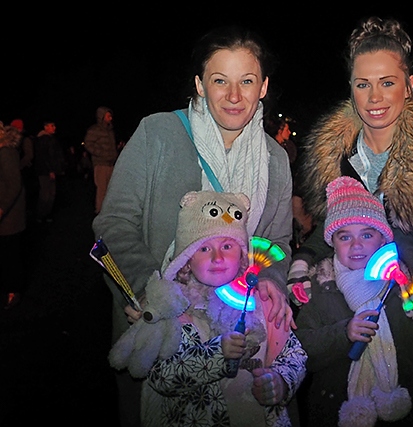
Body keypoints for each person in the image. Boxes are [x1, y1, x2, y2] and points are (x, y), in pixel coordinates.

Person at [287, 16, 413, 426]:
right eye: (363, 83)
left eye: (387, 81)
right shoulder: (337, 156)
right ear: (350, 88)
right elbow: (332, 229)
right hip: (356, 316)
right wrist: (304, 259)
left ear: (409, 85)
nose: (374, 96)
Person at [92, 25, 295, 427]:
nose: (234, 96)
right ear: (201, 85)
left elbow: (277, 241)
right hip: (160, 330)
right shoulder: (158, 133)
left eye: (247, 81)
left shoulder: (275, 159)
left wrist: (272, 278)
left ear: (263, 87)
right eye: (220, 80)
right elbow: (114, 222)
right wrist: (151, 292)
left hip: (234, 333)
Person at [113, 190, 307, 426]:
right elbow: (161, 376)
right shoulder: (173, 310)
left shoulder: (263, 302)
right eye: (204, 249)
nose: (217, 257)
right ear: (186, 260)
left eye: (227, 246)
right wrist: (216, 354)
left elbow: (294, 355)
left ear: (242, 255)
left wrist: (280, 381)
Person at [296, 176, 413, 426]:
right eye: (344, 237)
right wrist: (343, 333)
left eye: (367, 235)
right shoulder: (320, 288)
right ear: (332, 242)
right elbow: (302, 350)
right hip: (333, 409)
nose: (356, 245)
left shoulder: (403, 286)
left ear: (383, 239)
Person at [0, 121, 27, 309]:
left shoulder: (6, 152)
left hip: (8, 216)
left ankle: (13, 292)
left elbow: (14, 184)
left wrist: (1, 209)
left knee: (10, 254)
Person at [83, 106, 118, 214]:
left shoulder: (110, 130)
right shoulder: (95, 130)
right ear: (102, 116)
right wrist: (101, 154)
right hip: (101, 164)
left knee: (110, 189)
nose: (110, 118)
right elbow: (88, 144)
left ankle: (108, 211)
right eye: (108, 116)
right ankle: (100, 211)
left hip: (111, 163)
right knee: (101, 189)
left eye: (110, 115)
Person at [33, 120, 66, 224]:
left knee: (51, 193)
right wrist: (50, 170)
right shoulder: (43, 140)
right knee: (46, 194)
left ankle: (46, 214)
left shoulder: (50, 139)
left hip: (49, 170)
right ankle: (41, 215)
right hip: (45, 171)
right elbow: (45, 156)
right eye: (52, 125)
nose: (54, 128)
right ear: (45, 127)